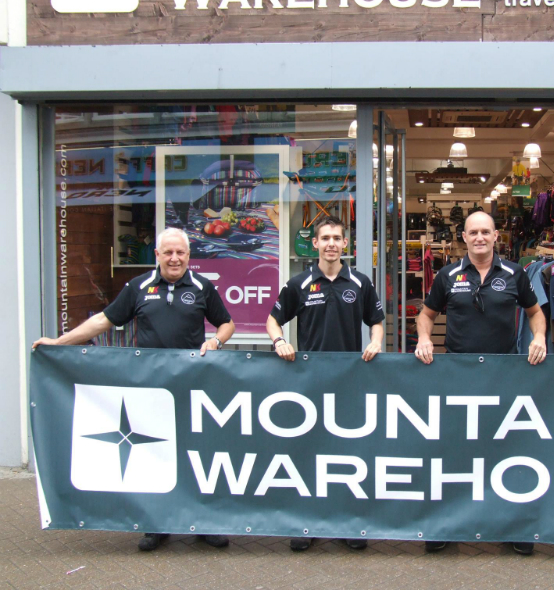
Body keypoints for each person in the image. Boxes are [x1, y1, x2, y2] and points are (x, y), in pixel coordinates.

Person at [33, 227, 235, 552]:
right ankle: (156, 524)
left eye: (180, 253)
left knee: (195, 454)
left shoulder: (202, 286)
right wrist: (59, 343)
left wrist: (216, 341)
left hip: (191, 387)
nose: (174, 258)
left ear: (188, 255)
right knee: (154, 455)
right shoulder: (138, 287)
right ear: (157, 255)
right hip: (150, 390)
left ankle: (203, 523)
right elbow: (104, 321)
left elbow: (227, 323)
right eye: (168, 252)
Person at [414, 210, 548, 555]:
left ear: (495, 236)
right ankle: (446, 524)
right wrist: (424, 338)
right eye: (473, 232)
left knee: (507, 450)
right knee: (455, 450)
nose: (479, 238)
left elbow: (535, 312)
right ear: (464, 237)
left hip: (505, 376)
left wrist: (539, 337)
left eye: (485, 232)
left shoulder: (516, 273)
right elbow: (426, 315)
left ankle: (513, 526)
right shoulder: (447, 275)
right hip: (458, 376)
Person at [266, 215, 384, 551]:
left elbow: (376, 321)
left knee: (347, 454)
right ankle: (308, 523)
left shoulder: (360, 282)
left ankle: (348, 524)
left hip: (350, 381)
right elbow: (272, 321)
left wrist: (376, 342)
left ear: (346, 244)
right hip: (310, 383)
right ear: (315, 244)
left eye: (337, 238)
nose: (331, 244)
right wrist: (279, 342)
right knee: (309, 453)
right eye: (325, 238)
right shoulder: (299, 284)